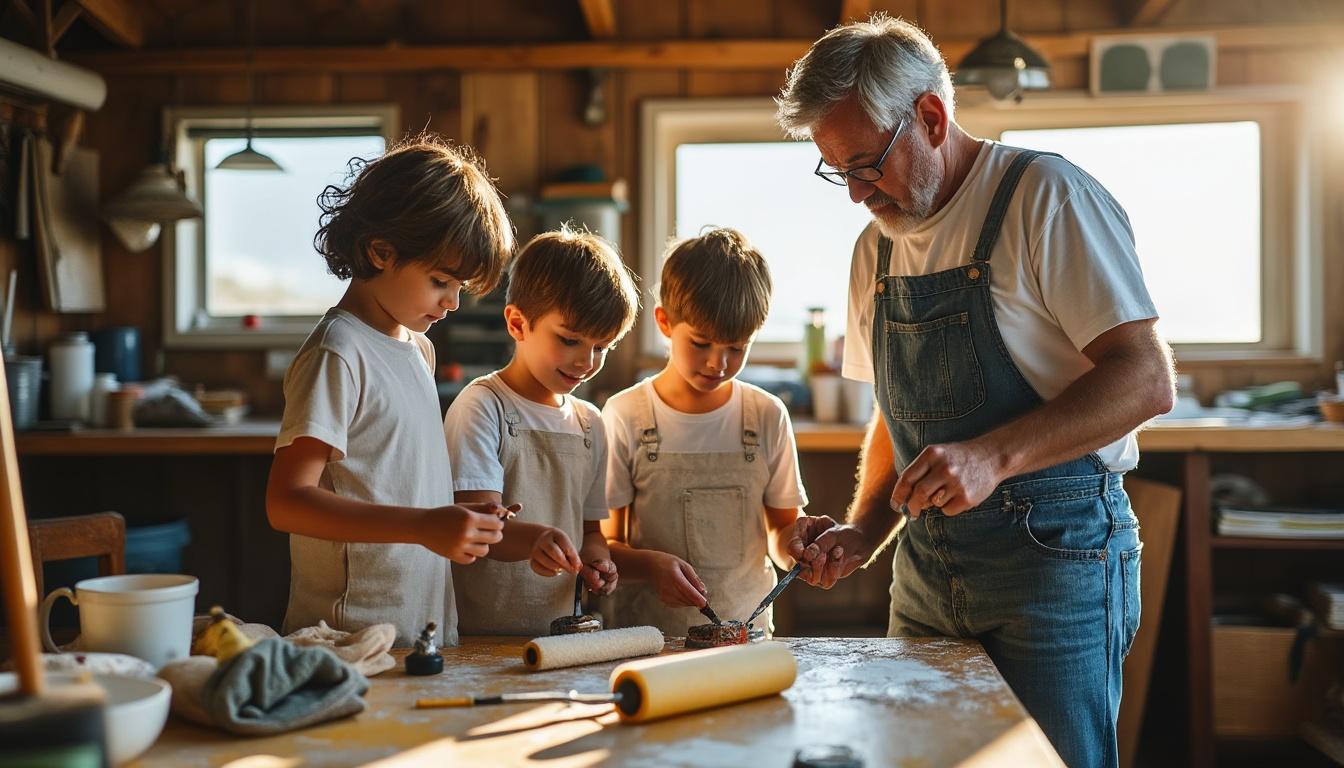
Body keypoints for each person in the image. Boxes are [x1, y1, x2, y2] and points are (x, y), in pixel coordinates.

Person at [776, 15, 1175, 768]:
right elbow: (896, 419)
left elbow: (1145, 377)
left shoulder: (1044, 198)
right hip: (925, 570)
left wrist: (992, 457)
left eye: (868, 164)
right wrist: (865, 531)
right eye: (840, 172)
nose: (859, 194)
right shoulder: (876, 250)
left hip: (1055, 559)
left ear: (930, 116)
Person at [266, 135, 516, 648]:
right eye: (441, 280)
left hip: (415, 625)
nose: (452, 303)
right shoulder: (338, 353)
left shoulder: (418, 349)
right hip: (349, 636)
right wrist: (425, 525)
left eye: (461, 289)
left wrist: (456, 519)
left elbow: (400, 481)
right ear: (382, 251)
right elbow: (287, 503)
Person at [601, 228, 807, 636]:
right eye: (701, 343)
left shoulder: (767, 416)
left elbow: (782, 534)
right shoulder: (625, 415)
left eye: (736, 347)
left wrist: (801, 547)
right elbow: (606, 548)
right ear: (664, 321)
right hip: (647, 642)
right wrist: (652, 566)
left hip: (746, 641)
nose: (718, 363)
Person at [443, 226, 639, 636]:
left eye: (601, 346)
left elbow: (590, 532)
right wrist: (534, 540)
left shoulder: (590, 422)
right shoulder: (483, 406)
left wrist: (598, 561)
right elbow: (475, 525)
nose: (586, 361)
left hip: (563, 637)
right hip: (484, 636)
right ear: (517, 323)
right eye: (570, 340)